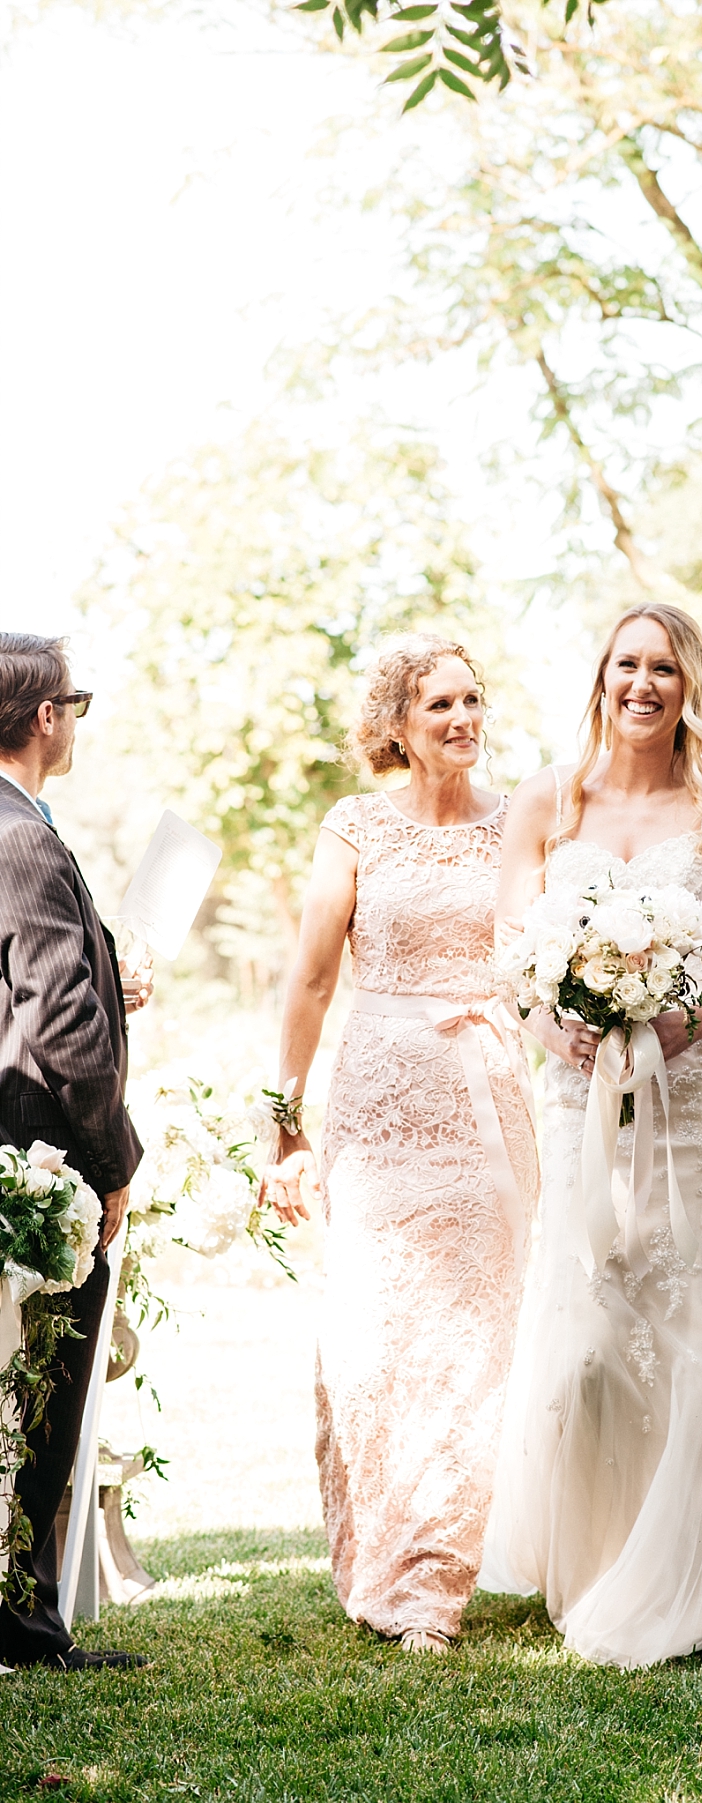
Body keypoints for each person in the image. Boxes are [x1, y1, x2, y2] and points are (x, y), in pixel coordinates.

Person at [483, 603, 702, 1668]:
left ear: (691, 686)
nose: (644, 684)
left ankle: (701, 1573)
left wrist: (699, 1015)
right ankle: (598, 1553)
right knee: (592, 1320)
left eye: (665, 669)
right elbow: (508, 959)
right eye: (627, 665)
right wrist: (556, 1029)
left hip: (700, 1094)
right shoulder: (544, 799)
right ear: (600, 676)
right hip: (579, 1091)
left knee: (694, 1312)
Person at [262, 634, 537, 1655]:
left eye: (473, 699)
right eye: (439, 706)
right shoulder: (353, 828)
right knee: (371, 1343)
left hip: (485, 1098)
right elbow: (310, 979)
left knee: (469, 1344)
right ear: (397, 724)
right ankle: (373, 1549)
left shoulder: (518, 825)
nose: (462, 719)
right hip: (376, 1101)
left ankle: (432, 1587)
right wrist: (281, 1118)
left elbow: (546, 958)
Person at [0, 632, 150, 1671]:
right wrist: (117, 1159)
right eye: (75, 703)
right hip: (42, 1157)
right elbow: (57, 1029)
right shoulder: (24, 839)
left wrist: (108, 975)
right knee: (41, 1395)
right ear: (45, 716)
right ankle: (23, 1622)